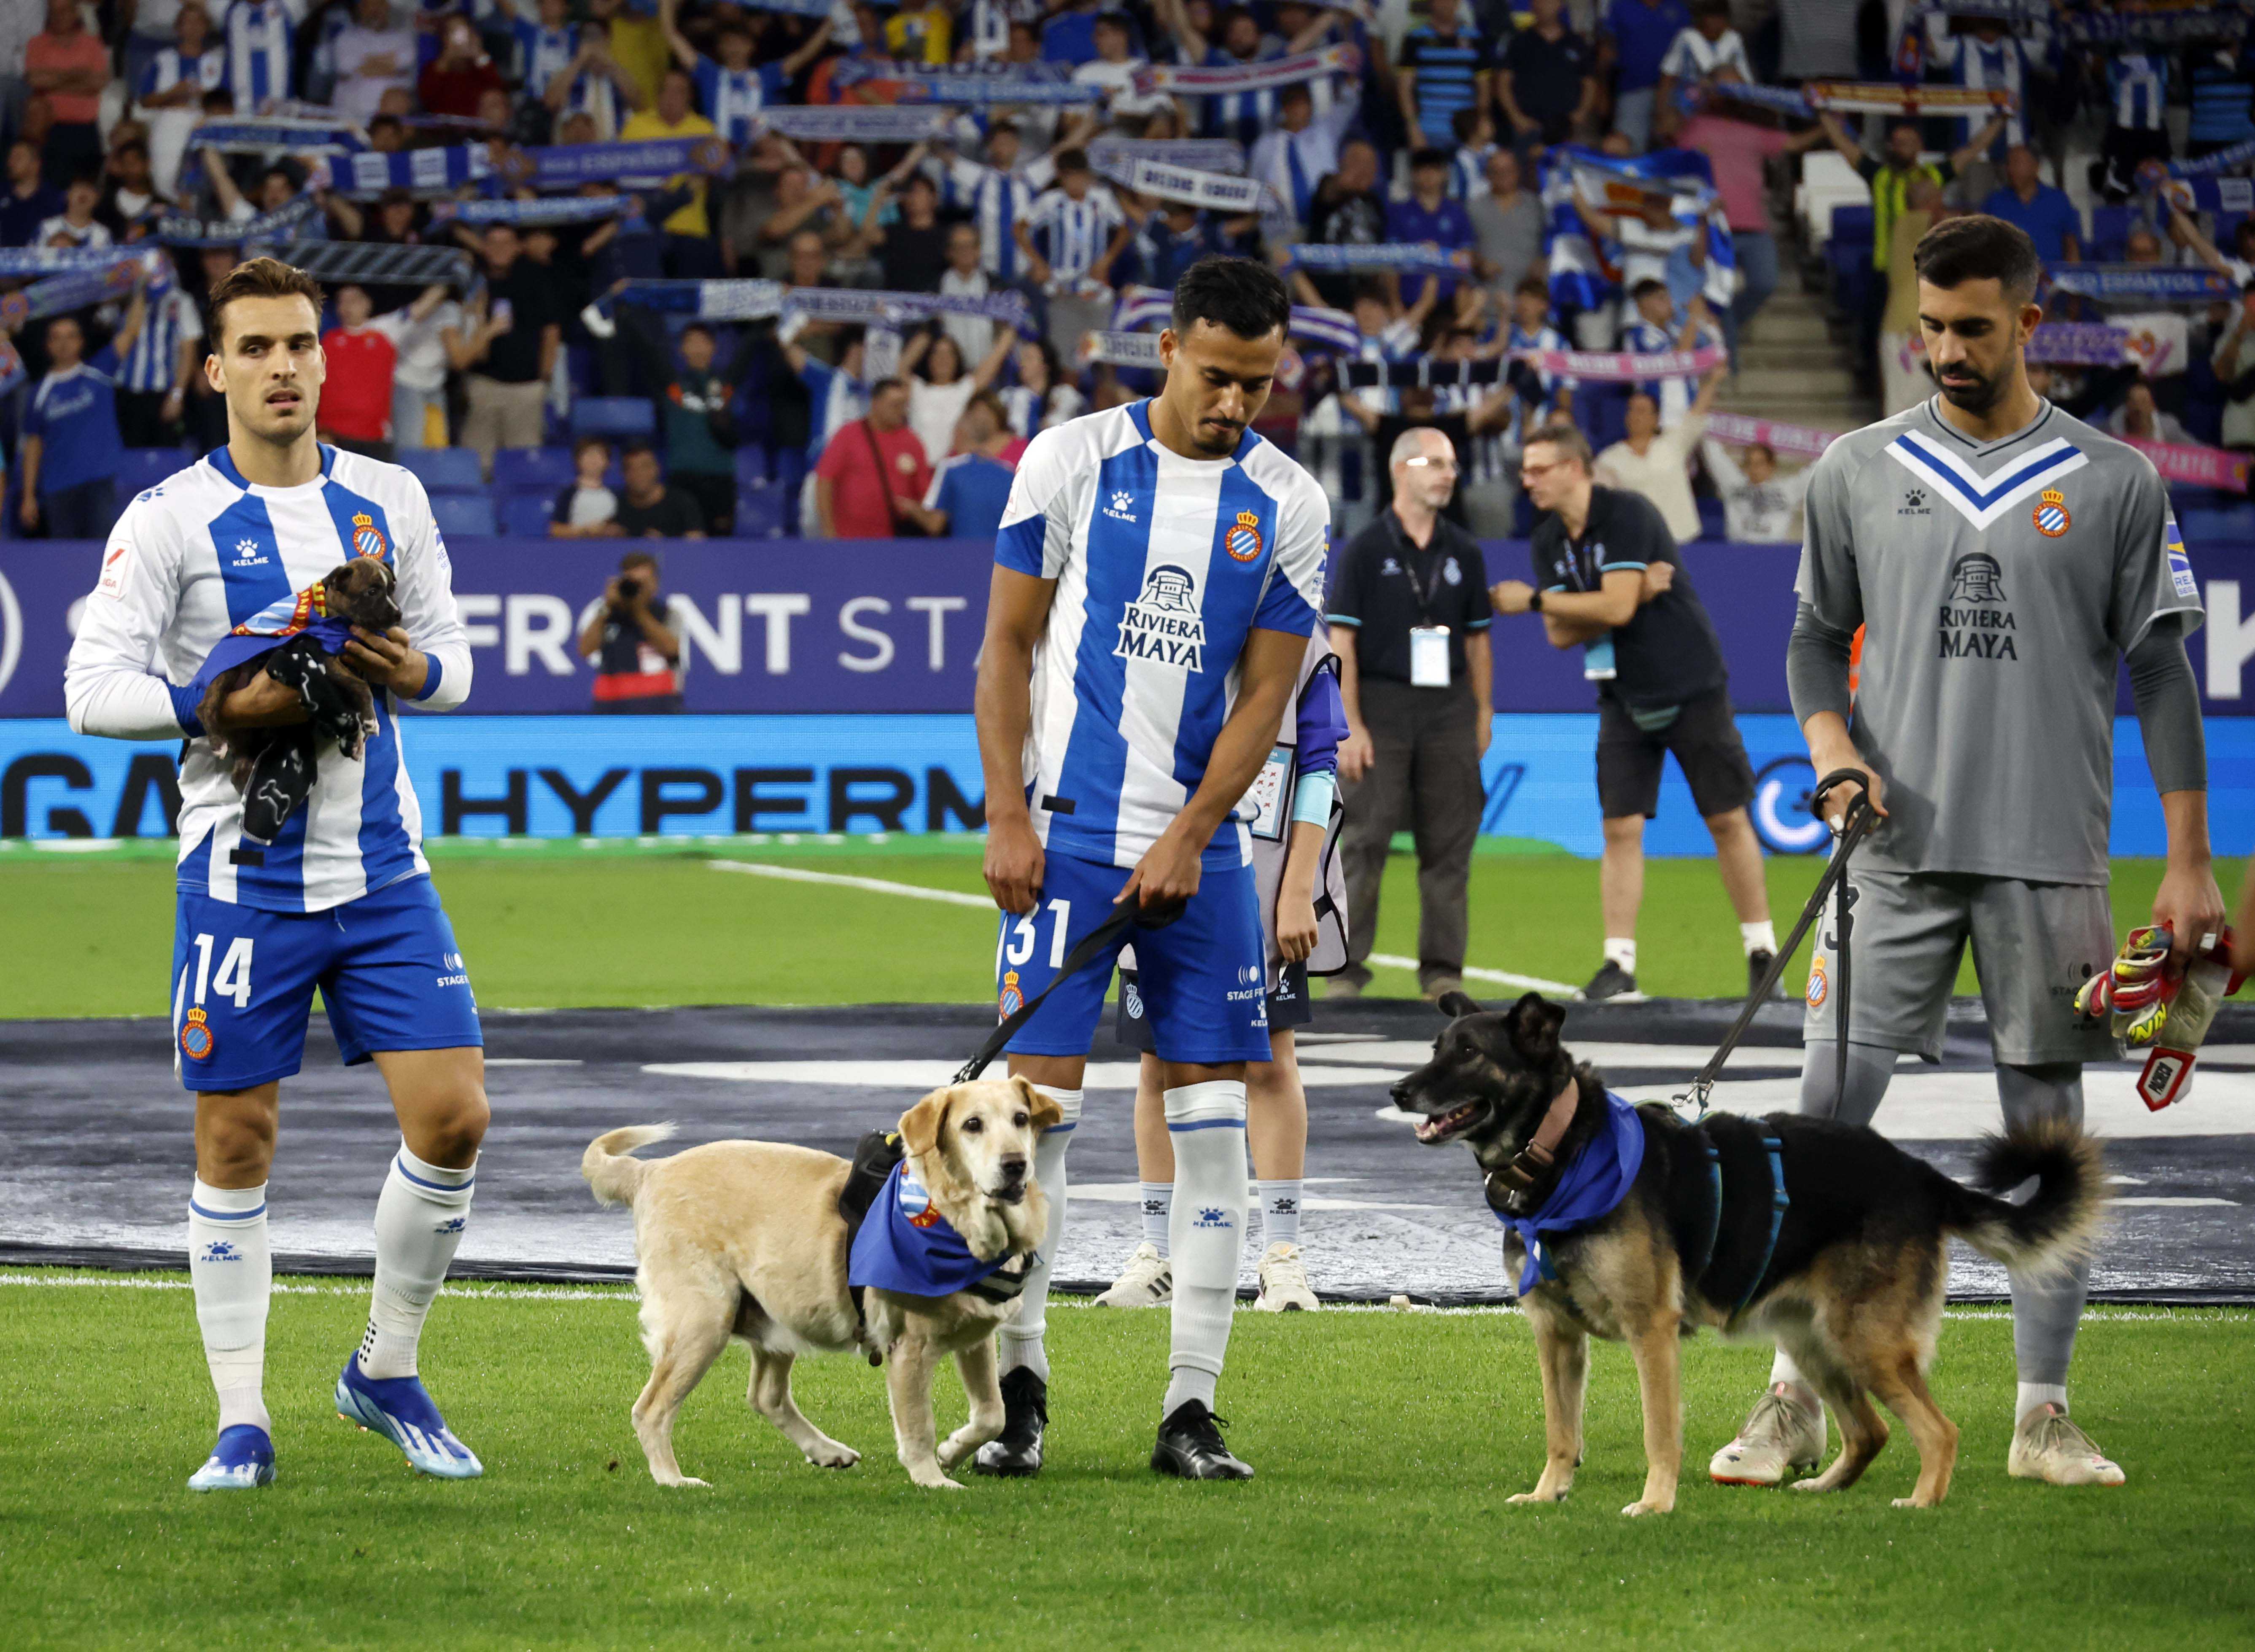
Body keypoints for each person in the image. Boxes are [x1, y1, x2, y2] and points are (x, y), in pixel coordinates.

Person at [1709, 214, 2221, 1491]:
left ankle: (2041, 1413)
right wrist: (1830, 741)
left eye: (1971, 329)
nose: (1944, 350)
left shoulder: (2114, 480)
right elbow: (1814, 639)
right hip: (1890, 854)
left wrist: (2191, 858)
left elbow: (2160, 668)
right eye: (1928, 328)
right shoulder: (1854, 467)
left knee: (2047, 1139)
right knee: (1821, 1130)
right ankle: (1791, 1401)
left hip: (2049, 854)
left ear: (2029, 325)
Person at [62, 255, 485, 1494]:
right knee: (237, 1140)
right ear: (215, 371)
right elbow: (90, 692)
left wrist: (406, 671)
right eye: (257, 348)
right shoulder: (166, 519)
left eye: (302, 344)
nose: (285, 366)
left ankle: (385, 1369)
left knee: (456, 1117)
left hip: (384, 868)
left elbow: (457, 666)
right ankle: (241, 1419)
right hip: (242, 873)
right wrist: (216, 701)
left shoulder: (392, 499)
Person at [970, 256, 1329, 1482]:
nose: (1237, 403)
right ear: (1166, 346)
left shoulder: (1287, 500)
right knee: (1034, 1124)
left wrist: (1189, 833)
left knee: (1214, 1117)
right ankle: (1021, 1395)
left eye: (1260, 384)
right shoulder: (1070, 459)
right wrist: (1007, 811)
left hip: (1204, 851)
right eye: (1219, 376)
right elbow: (1006, 646)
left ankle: (1191, 1409)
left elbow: (1269, 694)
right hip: (1065, 838)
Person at [1100, 628, 1347, 1313]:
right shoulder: (1157, 618)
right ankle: (1159, 1253)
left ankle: (1282, 1255)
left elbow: (1319, 762)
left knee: (1269, 1062)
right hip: (1155, 862)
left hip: (1263, 879)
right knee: (1157, 1062)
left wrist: (1298, 886)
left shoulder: (1297, 630)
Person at [1495, 418, 1777, 1001]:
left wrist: (1539, 598)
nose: (1527, 481)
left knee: (1725, 818)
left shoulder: (1627, 514)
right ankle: (1617, 964)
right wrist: (1604, 600)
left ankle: (1761, 952)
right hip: (1621, 696)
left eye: (1538, 469)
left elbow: (1608, 610)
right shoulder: (1547, 540)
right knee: (1618, 827)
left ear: (1574, 468)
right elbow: (1558, 635)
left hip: (1687, 682)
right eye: (1525, 470)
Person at [1325, 427, 1493, 1001]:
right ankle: (1343, 970)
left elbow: (1477, 642)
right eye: (1435, 462)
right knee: (1363, 839)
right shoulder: (1366, 549)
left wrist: (1483, 711)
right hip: (1380, 700)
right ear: (1401, 468)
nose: (1448, 472)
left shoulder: (1464, 552)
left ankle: (1442, 971)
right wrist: (1348, 724)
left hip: (1447, 704)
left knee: (1449, 844)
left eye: (1452, 463)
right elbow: (1340, 642)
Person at [21, 298, 143, 540]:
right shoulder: (39, 393)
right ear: (48, 345)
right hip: (58, 488)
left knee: (101, 556)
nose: (64, 344)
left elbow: (130, 332)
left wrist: (140, 287)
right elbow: (33, 446)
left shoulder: (99, 373)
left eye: (71, 336)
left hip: (99, 483)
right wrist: (28, 496)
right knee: (65, 563)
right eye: (57, 337)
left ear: (81, 341)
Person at [458, 225, 560, 474]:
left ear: (518, 247)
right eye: (492, 243)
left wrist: (544, 376)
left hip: (526, 388)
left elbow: (551, 330)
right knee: (477, 466)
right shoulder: (473, 280)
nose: (499, 249)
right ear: (483, 246)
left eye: (506, 243)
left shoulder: (536, 277)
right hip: (484, 384)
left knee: (523, 466)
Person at [1594, 375, 1723, 543]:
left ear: (1656, 419)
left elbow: (1698, 412)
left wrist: (1714, 379)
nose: (1634, 416)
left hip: (1682, 540)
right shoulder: (1609, 458)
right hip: (1637, 544)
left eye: (1641, 411)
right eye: (1630, 410)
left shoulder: (1673, 444)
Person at [813, 377, 931, 538]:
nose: (902, 411)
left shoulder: (912, 442)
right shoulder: (848, 435)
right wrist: (829, 531)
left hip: (894, 541)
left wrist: (913, 509)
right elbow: (825, 481)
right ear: (876, 403)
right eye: (895, 405)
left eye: (904, 405)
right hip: (850, 539)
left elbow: (925, 495)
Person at [900, 394, 1019, 538]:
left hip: (966, 555)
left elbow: (934, 524)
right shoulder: (1009, 471)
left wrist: (910, 508)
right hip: (998, 556)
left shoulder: (951, 469)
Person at [578, 550, 684, 711]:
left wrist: (639, 612)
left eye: (643, 583)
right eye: (632, 583)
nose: (637, 589)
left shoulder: (668, 614)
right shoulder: (608, 614)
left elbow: (671, 649)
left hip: (657, 701)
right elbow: (585, 650)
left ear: (655, 583)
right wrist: (606, 607)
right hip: (611, 702)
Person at [1498, 0, 1598, 160]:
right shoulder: (1519, 42)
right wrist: (1516, 117)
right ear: (1532, 6)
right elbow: (1503, 83)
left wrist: (1581, 113)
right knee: (1529, 181)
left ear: (1560, 5)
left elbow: (1590, 83)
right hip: (1529, 128)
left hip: (1566, 129)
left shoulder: (1576, 43)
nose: (1544, 6)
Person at [1397, 0, 1493, 151]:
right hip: (1427, 131)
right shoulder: (1414, 39)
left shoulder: (1475, 39)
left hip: (1466, 131)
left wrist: (1480, 125)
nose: (1446, 4)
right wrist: (1412, 127)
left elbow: (1484, 88)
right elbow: (1404, 88)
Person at [1601, 0, 1690, 152]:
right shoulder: (1621, 5)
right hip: (1633, 90)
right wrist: (1601, 92)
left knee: (1672, 154)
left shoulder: (1678, 7)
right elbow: (1607, 50)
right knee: (1625, 153)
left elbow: (1690, 50)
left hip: (1673, 94)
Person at [1980, 146, 2083, 264]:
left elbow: (2071, 242)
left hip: (2052, 277)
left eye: (2017, 163)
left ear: (2036, 167)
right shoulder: (1994, 202)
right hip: (2009, 277)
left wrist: (2073, 274)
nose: (2010, 169)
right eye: (2008, 163)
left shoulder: (2058, 200)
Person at [1698, 436, 1810, 543]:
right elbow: (1713, 453)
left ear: (1771, 466)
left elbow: (1816, 471)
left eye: (1759, 463)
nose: (1754, 469)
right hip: (1738, 552)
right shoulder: (1733, 485)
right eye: (1749, 463)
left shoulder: (1787, 491)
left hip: (1773, 554)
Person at [612, 443, 705, 538]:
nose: (639, 474)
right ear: (623, 474)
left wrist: (665, 544)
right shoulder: (614, 506)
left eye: (645, 467)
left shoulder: (682, 502)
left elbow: (696, 540)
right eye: (631, 469)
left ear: (657, 469)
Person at [550, 436, 622, 538]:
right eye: (589, 454)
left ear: (608, 462)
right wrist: (585, 531)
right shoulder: (568, 494)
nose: (594, 460)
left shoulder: (615, 496)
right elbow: (555, 530)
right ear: (578, 460)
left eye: (599, 455)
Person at [2107, 379, 2191, 447]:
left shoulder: (2169, 428)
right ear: (2127, 406)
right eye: (2134, 402)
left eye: (2144, 402)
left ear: (2152, 406)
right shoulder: (2111, 429)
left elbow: (2198, 451)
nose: (2138, 408)